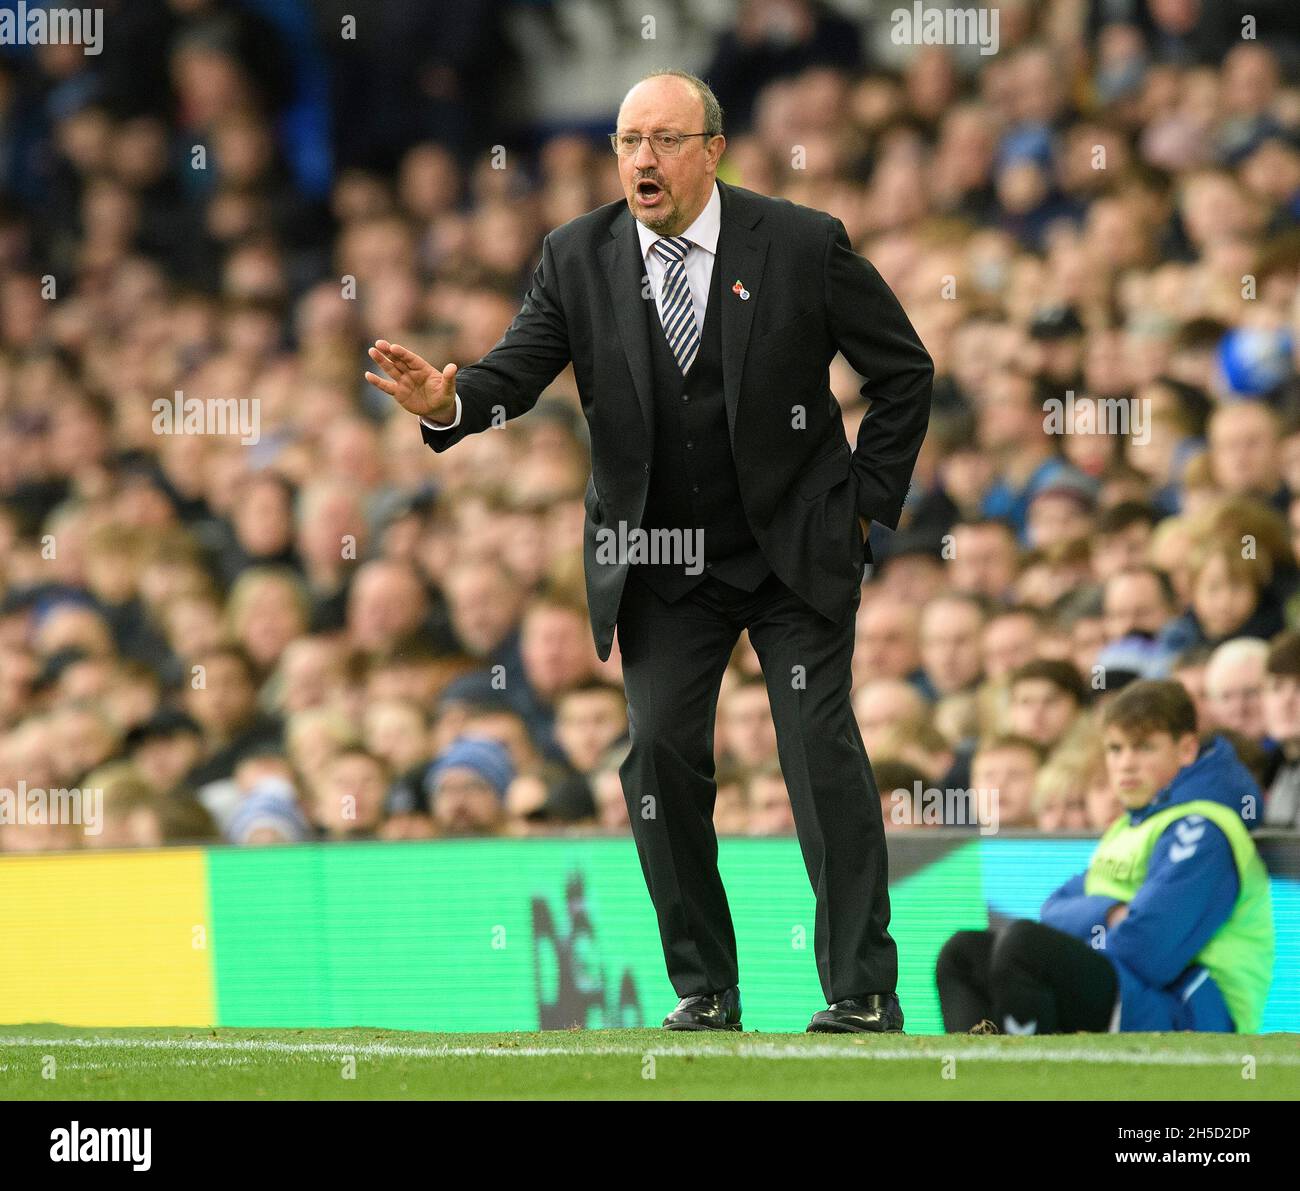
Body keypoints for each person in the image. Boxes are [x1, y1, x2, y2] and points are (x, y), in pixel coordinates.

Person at [365, 69, 933, 1032]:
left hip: (793, 550)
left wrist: (863, 507)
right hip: (663, 564)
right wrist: (451, 405)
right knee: (659, 761)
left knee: (816, 750)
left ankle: (861, 990)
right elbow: (520, 368)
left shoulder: (800, 242)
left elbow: (903, 370)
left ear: (713, 151)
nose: (642, 159)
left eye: (665, 140)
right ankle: (706, 989)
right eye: (629, 141)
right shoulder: (576, 254)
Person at [935, 679, 1274, 1034]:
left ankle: (1025, 1079)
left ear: (1186, 749)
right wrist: (1110, 913)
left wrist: (1083, 943)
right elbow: (1052, 910)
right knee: (964, 953)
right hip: (1134, 990)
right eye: (1115, 749)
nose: (1126, 764)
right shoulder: (1131, 824)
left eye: (1143, 748)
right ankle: (982, 1080)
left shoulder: (1203, 828)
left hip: (1190, 1011)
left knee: (1025, 947)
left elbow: (1149, 950)